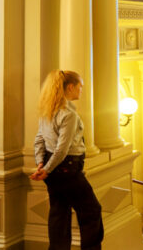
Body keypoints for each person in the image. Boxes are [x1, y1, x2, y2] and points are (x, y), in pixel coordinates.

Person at [31, 70, 103, 250]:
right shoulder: (68, 115)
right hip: (67, 169)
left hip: (52, 169)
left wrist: (41, 163)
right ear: (70, 87)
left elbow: (39, 139)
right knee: (91, 211)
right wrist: (46, 169)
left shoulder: (47, 109)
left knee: (59, 213)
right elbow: (62, 149)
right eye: (80, 86)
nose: (81, 90)